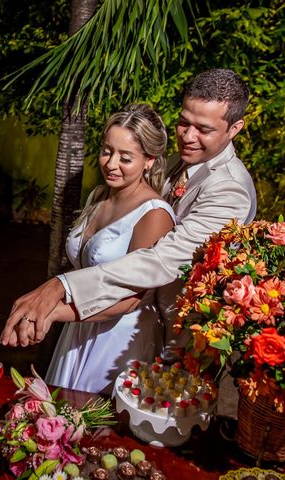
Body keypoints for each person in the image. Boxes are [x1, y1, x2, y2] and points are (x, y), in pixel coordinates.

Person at [1, 68, 257, 359]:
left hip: (181, 337)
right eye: (183, 122)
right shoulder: (179, 161)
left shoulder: (230, 190)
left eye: (204, 129)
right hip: (128, 316)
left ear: (234, 128)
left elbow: (160, 260)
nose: (187, 136)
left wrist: (64, 286)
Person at [43, 103, 176, 394]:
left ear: (149, 160)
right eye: (107, 151)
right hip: (78, 325)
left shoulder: (154, 214)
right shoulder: (100, 195)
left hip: (118, 338)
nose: (111, 164)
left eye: (125, 158)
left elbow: (134, 299)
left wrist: (51, 312)